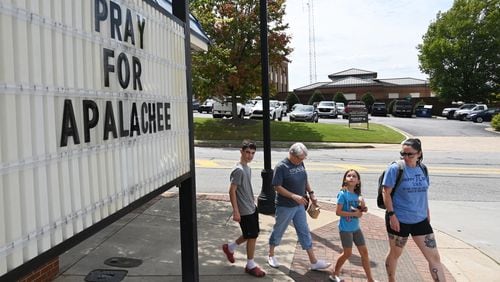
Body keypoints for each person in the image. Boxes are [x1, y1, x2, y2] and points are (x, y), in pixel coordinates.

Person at [382, 138, 445, 282]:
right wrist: (392, 215)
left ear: (419, 153)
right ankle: (391, 280)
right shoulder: (395, 169)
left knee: (434, 257)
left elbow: (423, 191)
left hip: (420, 219)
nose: (406, 157)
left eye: (410, 154)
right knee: (395, 253)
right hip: (399, 219)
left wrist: (427, 211)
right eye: (403, 154)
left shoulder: (423, 169)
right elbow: (385, 192)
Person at [267, 142, 331, 271]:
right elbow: (277, 187)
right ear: (291, 154)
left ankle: (313, 261)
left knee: (304, 231)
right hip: (285, 206)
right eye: (300, 158)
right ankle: (271, 255)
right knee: (279, 229)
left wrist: (311, 193)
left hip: (299, 205)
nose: (301, 161)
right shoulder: (281, 167)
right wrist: (293, 196)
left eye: (303, 159)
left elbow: (304, 178)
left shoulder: (300, 163)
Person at [222, 140, 265, 277]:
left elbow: (244, 188)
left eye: (252, 153)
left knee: (250, 234)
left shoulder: (247, 168)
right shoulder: (239, 170)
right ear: (241, 151)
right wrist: (236, 210)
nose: (250, 156)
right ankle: (250, 265)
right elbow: (232, 190)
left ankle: (230, 248)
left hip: (251, 207)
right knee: (252, 236)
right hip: (244, 210)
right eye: (247, 152)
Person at [330, 169, 376, 282]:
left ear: (358, 181)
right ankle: (334, 274)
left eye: (354, 176)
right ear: (345, 179)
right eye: (349, 176)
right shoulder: (342, 194)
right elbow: (338, 212)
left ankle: (370, 279)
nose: (351, 177)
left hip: (356, 228)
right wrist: (354, 213)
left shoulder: (357, 195)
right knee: (347, 253)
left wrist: (364, 208)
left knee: (364, 253)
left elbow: (360, 210)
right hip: (345, 229)